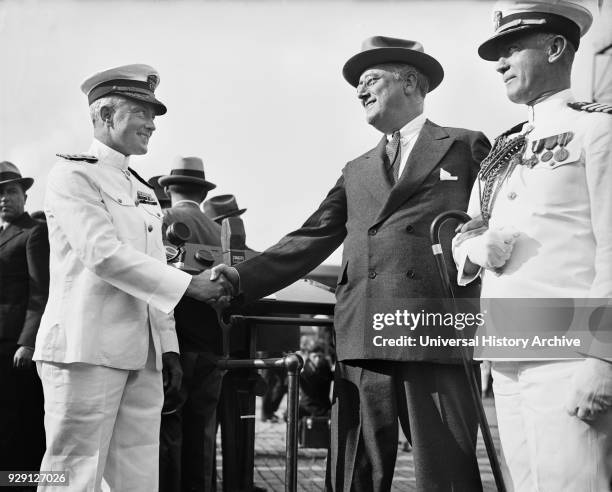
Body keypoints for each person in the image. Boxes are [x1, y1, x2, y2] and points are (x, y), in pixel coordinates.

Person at [204, 36, 491, 490]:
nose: (360, 92)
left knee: (449, 473)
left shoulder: (465, 146)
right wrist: (241, 276)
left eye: (370, 79)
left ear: (412, 83)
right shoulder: (357, 169)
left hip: (434, 331)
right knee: (355, 472)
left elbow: (492, 227)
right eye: (358, 84)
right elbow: (314, 234)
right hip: (364, 336)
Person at [33, 64, 230, 492]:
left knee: (136, 480)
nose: (152, 124)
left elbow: (152, 271)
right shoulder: (72, 175)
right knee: (71, 477)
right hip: (84, 352)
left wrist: (169, 351)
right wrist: (191, 285)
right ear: (105, 115)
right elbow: (102, 255)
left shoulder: (141, 189)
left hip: (141, 357)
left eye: (154, 114)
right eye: (143, 111)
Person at [453, 2, 612, 490]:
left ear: (555, 46)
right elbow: (467, 230)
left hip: (570, 353)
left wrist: (603, 360)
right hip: (506, 351)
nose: (499, 64)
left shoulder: (598, 129)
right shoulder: (504, 148)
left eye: (511, 49)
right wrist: (471, 251)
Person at [158, 156, 223, 492]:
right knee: (202, 434)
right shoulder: (219, 229)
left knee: (169, 429)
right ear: (201, 192)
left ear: (168, 189)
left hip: (176, 341)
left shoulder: (164, 218)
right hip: (211, 341)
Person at [0, 162, 48, 482]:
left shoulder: (33, 232)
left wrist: (28, 341)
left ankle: (23, 483)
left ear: (25, 197)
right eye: (0, 193)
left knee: (20, 421)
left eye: (11, 191)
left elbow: (40, 289)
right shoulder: (3, 234)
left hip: (15, 345)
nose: (5, 198)